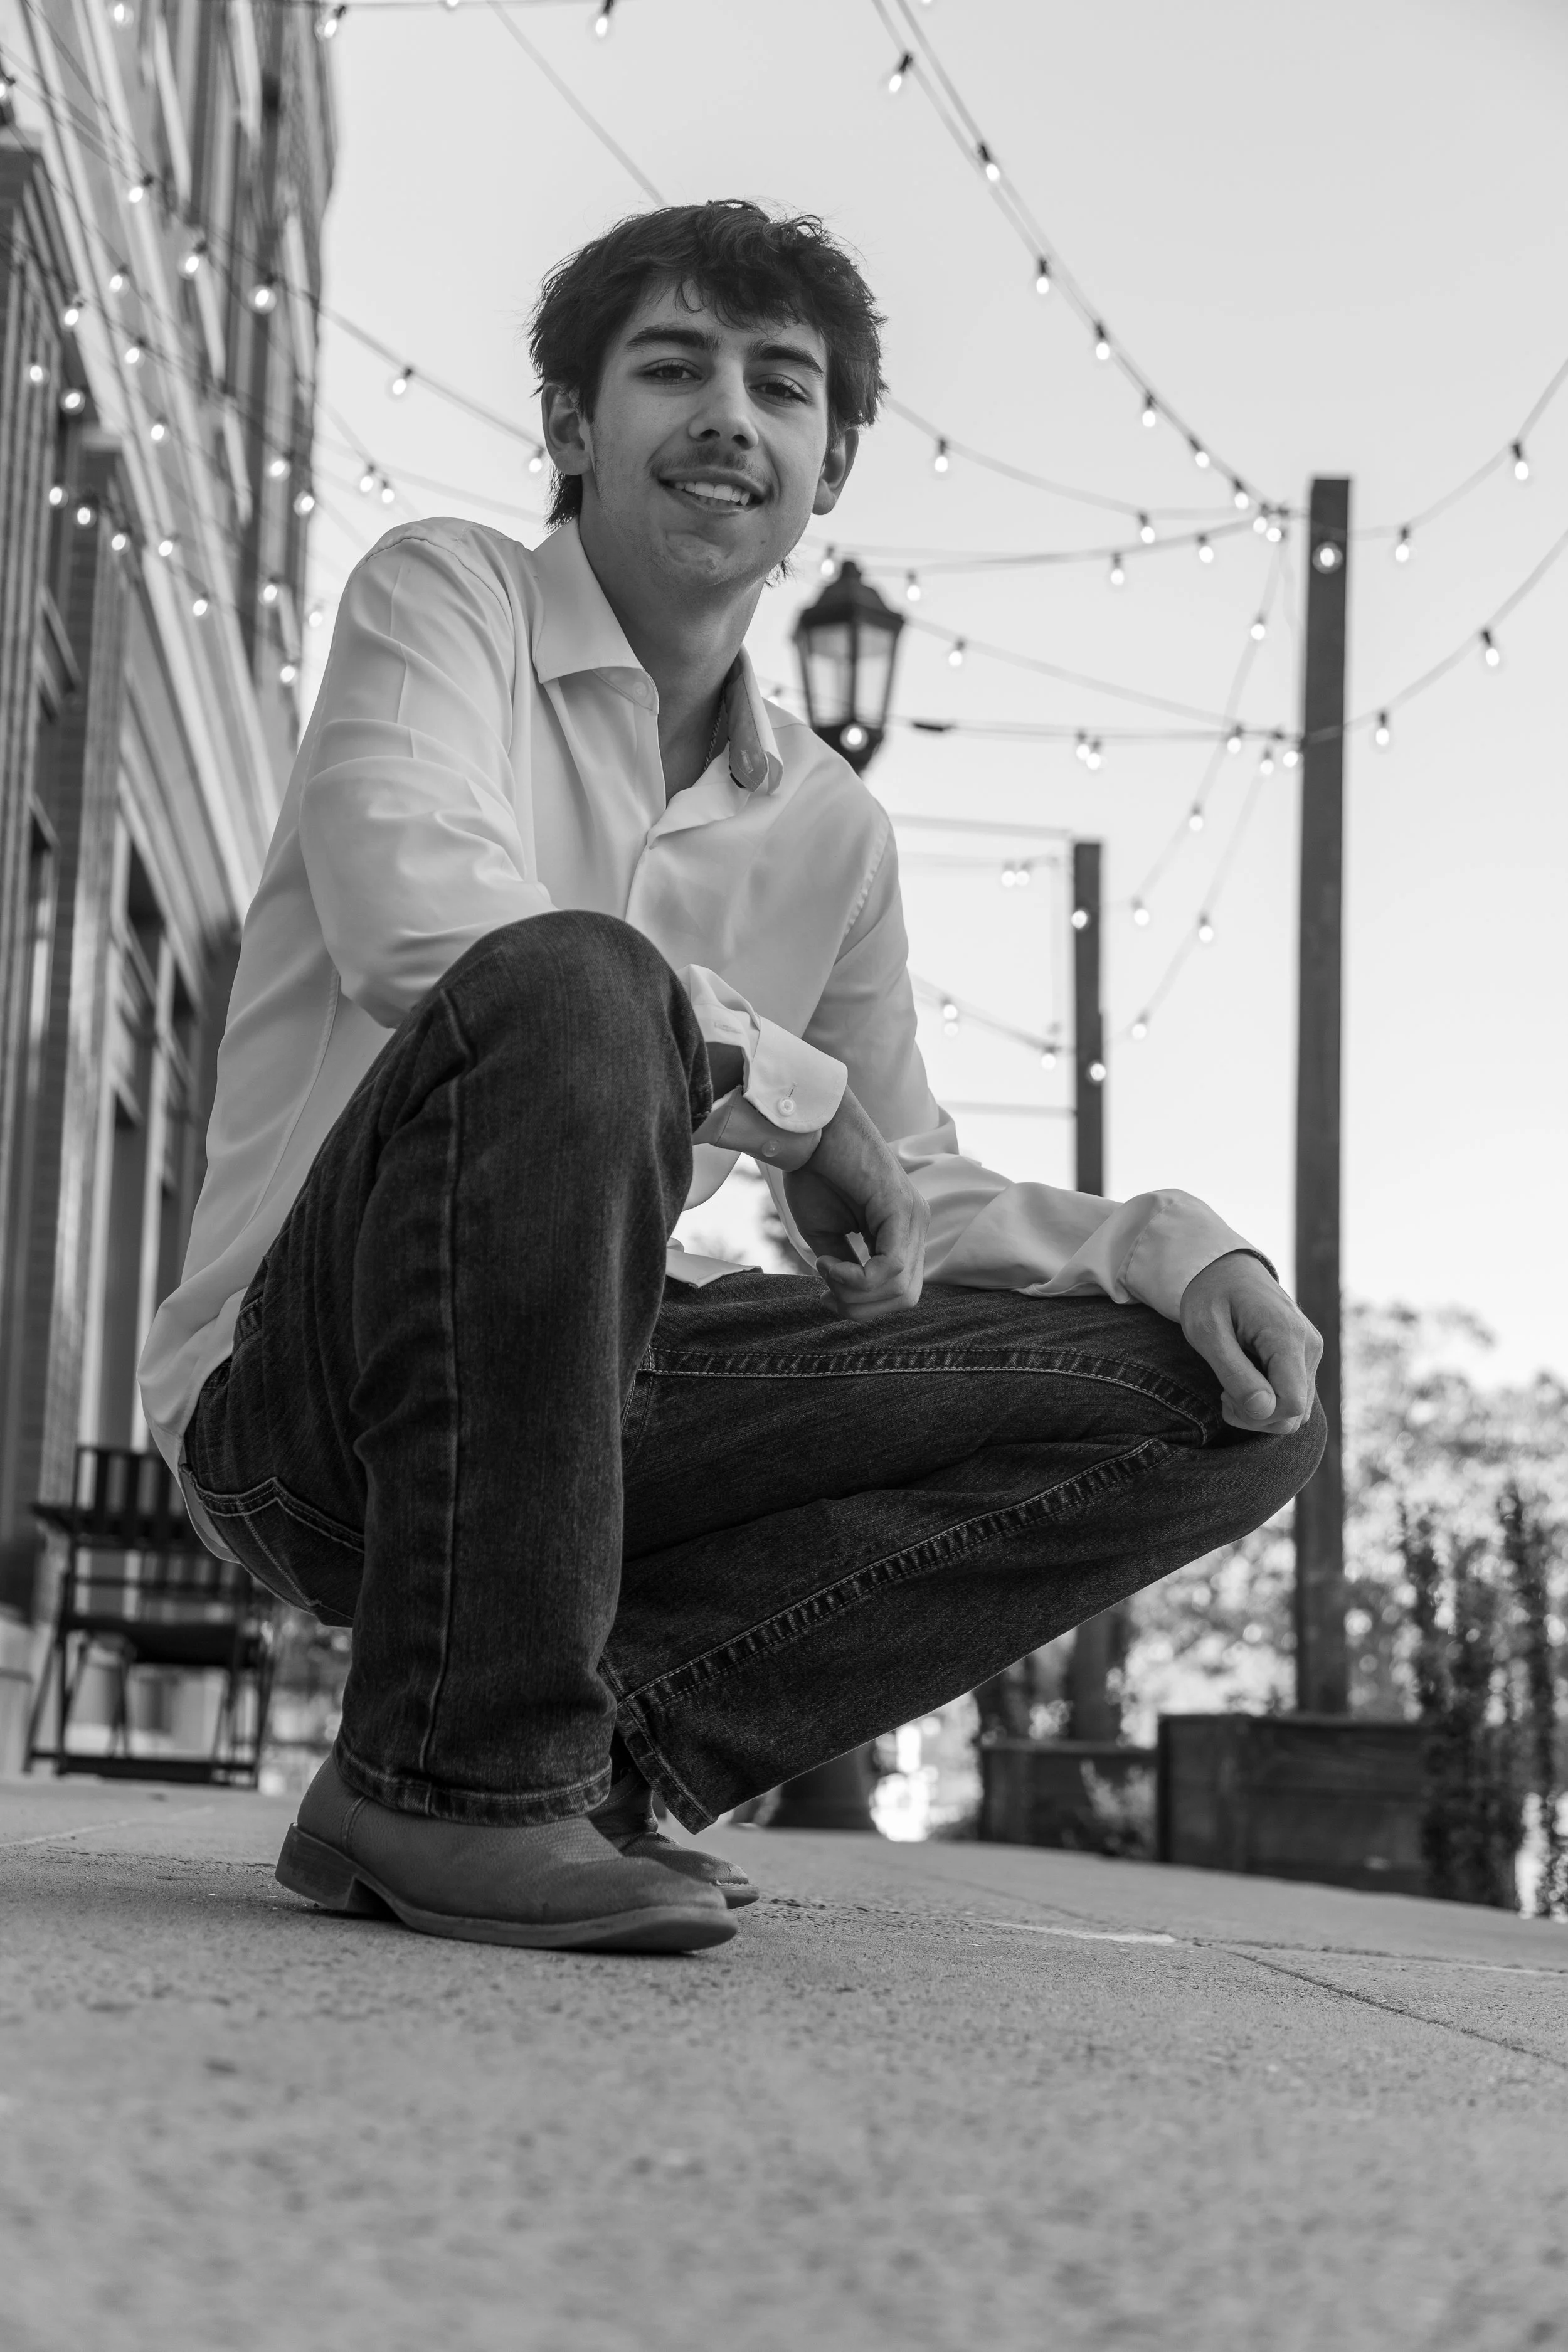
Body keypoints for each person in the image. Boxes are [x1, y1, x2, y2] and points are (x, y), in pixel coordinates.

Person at [139, 201, 1323, 1956]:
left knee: (1215, 1402)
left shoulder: (830, 830)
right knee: (578, 980)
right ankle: (465, 1779)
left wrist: (1173, 1244)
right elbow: (423, 927)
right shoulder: (444, 597)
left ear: (828, 464)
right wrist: (787, 1091)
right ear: (572, 422)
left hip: (607, 1407)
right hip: (308, 1405)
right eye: (673, 369)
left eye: (780, 386)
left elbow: (906, 1189)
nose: (728, 418)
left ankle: (561, 1762)